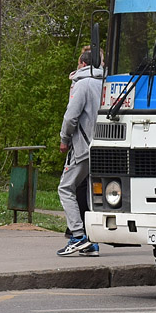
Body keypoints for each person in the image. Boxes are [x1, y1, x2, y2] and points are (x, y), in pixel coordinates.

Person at [56, 46, 102, 256]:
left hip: (83, 146)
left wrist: (64, 139)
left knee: (65, 188)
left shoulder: (83, 85)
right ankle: (92, 241)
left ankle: (77, 235)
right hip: (102, 148)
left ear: (83, 64)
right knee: (93, 193)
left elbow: (70, 117)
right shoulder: (106, 83)